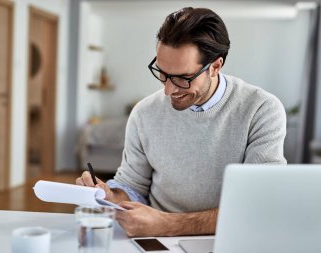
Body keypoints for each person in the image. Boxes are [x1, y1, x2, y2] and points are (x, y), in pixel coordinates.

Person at [76, 7, 286, 237]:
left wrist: (169, 224)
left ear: (215, 66)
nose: (168, 90)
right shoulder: (144, 113)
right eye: (163, 73)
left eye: (183, 78)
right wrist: (109, 195)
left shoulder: (261, 109)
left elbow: (258, 204)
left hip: (230, 237)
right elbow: (133, 186)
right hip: (155, 239)